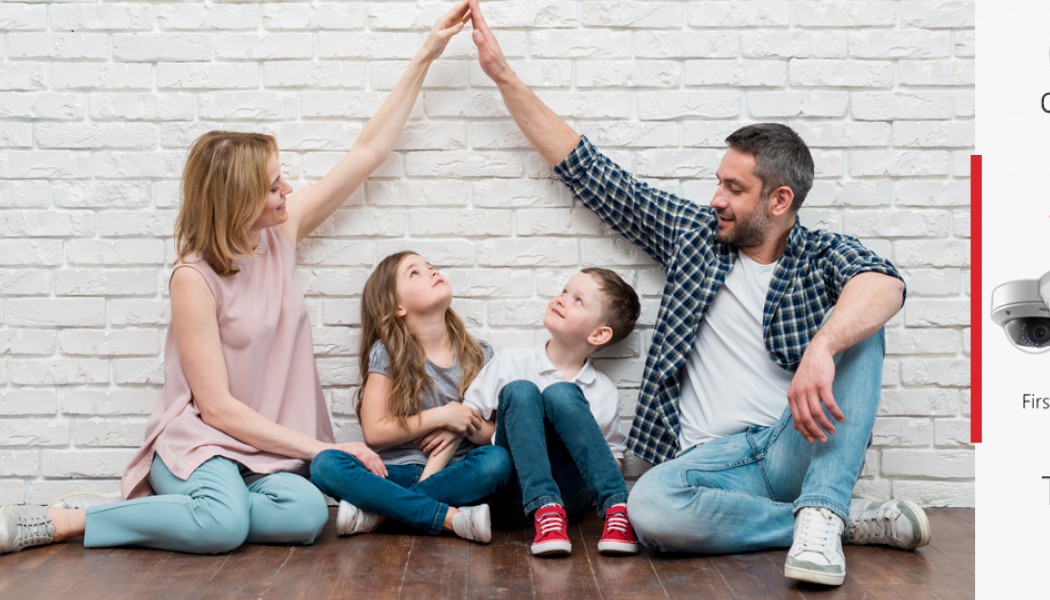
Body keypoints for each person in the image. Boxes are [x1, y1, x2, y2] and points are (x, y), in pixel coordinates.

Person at [464, 0, 928, 586]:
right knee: (649, 509)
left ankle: (821, 507)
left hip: (791, 445)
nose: (716, 199)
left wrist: (822, 346)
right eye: (718, 183)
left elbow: (885, 284)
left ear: (779, 200)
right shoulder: (694, 236)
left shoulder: (819, 255)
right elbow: (594, 174)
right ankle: (834, 520)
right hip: (709, 465)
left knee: (862, 329)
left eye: (734, 188)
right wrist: (503, 75)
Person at [0, 3, 479, 556]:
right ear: (238, 199)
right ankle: (73, 519)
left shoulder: (281, 234)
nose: (287, 190)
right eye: (273, 186)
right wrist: (322, 449)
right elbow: (217, 409)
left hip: (269, 450)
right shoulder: (193, 278)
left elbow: (368, 152)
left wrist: (425, 55)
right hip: (205, 443)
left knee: (304, 517)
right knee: (223, 527)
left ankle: (195, 511)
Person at [307, 251, 511, 541]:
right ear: (397, 306)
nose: (432, 271)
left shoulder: (479, 353)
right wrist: (442, 415)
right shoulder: (387, 353)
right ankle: (448, 518)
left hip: (454, 474)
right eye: (414, 272)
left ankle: (382, 515)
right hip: (394, 474)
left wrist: (464, 422)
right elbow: (374, 432)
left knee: (497, 461)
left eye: (430, 266)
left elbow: (493, 434)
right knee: (324, 464)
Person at [459, 268, 642, 557]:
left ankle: (617, 509)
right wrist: (508, 433)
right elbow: (469, 417)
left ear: (598, 334)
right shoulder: (512, 361)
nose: (561, 299)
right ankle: (545, 508)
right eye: (564, 291)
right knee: (521, 390)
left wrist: (579, 447)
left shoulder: (603, 390)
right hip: (514, 492)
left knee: (562, 394)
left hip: (571, 496)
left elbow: (614, 458)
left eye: (578, 300)